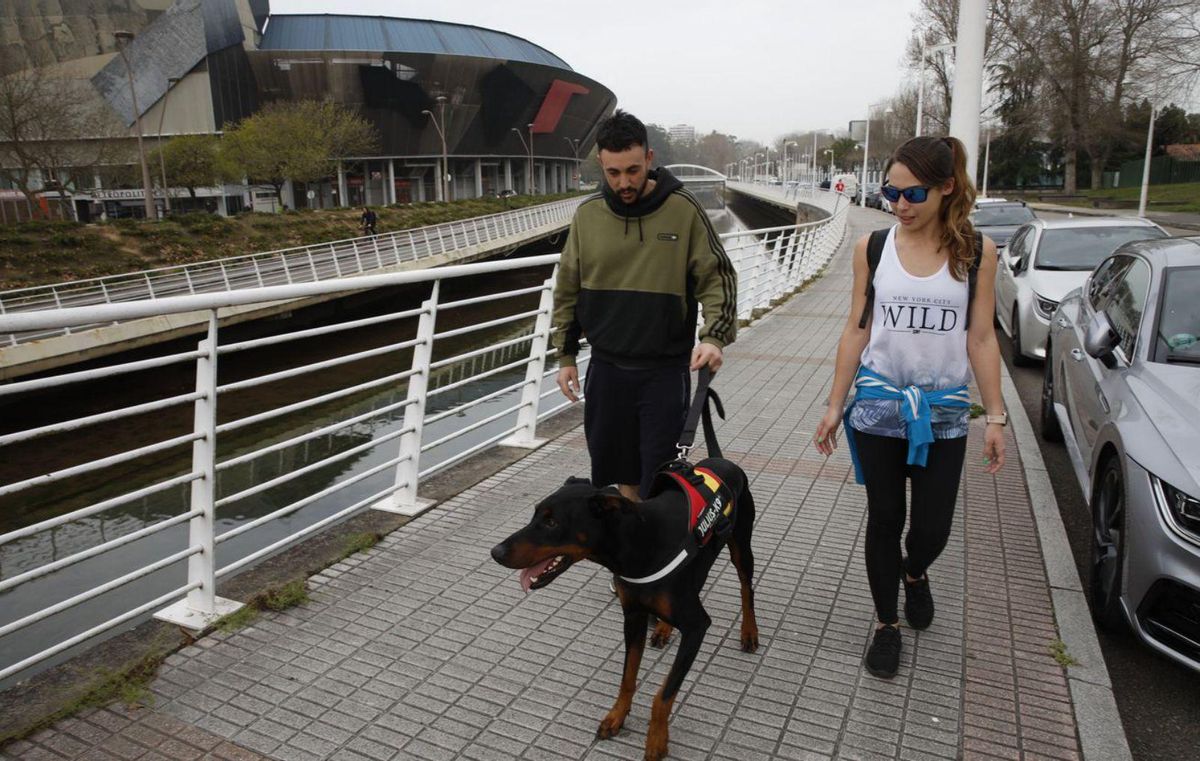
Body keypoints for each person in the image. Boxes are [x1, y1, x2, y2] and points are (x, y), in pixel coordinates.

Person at [813, 135, 1007, 679]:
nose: (899, 205)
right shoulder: (871, 248)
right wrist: (834, 405)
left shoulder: (976, 251)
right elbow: (857, 329)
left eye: (913, 193)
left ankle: (915, 572)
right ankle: (885, 624)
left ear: (947, 188)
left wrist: (995, 416)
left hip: (944, 409)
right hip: (879, 405)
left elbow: (983, 339)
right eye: (890, 192)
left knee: (932, 528)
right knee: (885, 518)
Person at [552, 110, 738, 505]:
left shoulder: (683, 209)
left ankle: (662, 559)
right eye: (613, 172)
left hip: (663, 373)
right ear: (600, 163)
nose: (624, 182)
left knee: (661, 478)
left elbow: (717, 277)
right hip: (606, 371)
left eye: (633, 170)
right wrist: (566, 355)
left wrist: (714, 338)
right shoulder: (587, 216)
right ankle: (634, 564)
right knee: (621, 477)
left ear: (650, 159)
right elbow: (567, 288)